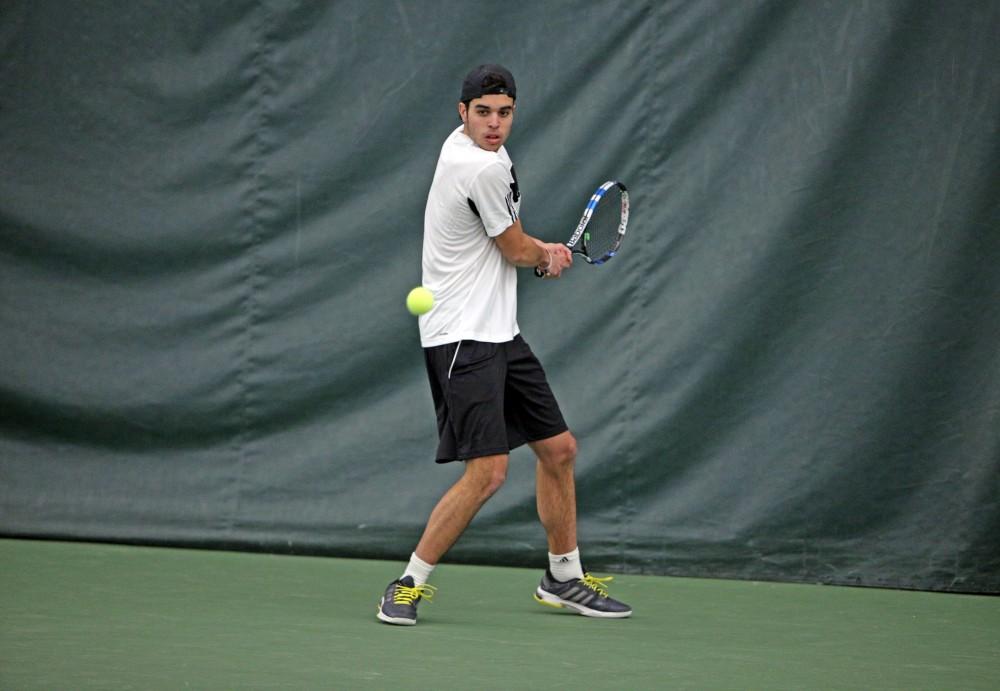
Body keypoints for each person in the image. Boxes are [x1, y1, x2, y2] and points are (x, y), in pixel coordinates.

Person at [376, 64, 631, 625]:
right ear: (461, 113)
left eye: (504, 112)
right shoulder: (479, 167)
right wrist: (545, 256)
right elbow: (514, 249)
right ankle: (406, 584)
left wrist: (538, 250)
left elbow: (503, 240)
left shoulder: (473, 152)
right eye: (483, 112)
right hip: (462, 336)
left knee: (558, 449)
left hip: (497, 330)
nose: (494, 124)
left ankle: (563, 577)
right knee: (488, 473)